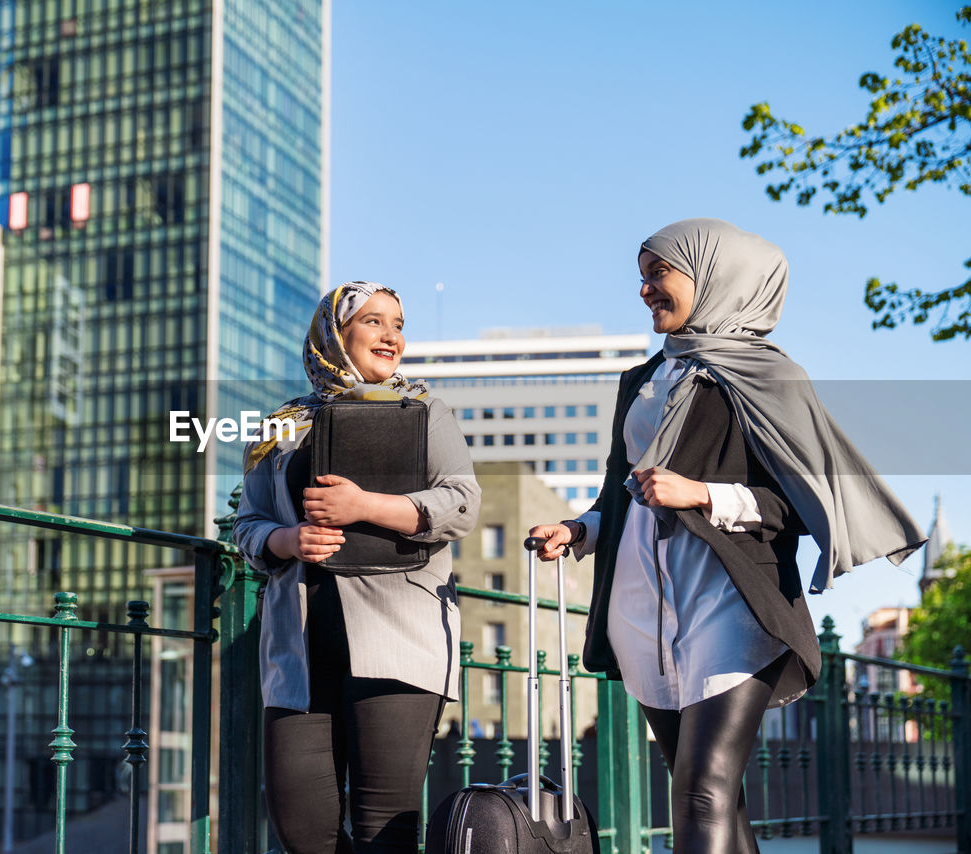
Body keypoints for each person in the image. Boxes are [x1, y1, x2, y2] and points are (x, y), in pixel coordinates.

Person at [529, 219, 925, 854]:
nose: (644, 290)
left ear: (713, 278)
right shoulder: (640, 381)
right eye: (642, 276)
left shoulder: (771, 379)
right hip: (645, 611)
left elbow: (797, 506)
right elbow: (620, 493)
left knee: (702, 793)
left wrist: (703, 494)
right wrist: (580, 529)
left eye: (658, 274)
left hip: (731, 605)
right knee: (717, 800)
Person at [234, 281, 480, 854]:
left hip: (397, 644)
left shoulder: (422, 413)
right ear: (334, 335)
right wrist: (287, 539)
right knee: (302, 829)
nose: (391, 335)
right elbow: (247, 526)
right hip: (299, 651)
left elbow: (462, 503)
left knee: (384, 830)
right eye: (373, 321)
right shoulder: (282, 426)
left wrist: (366, 506)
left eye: (398, 323)